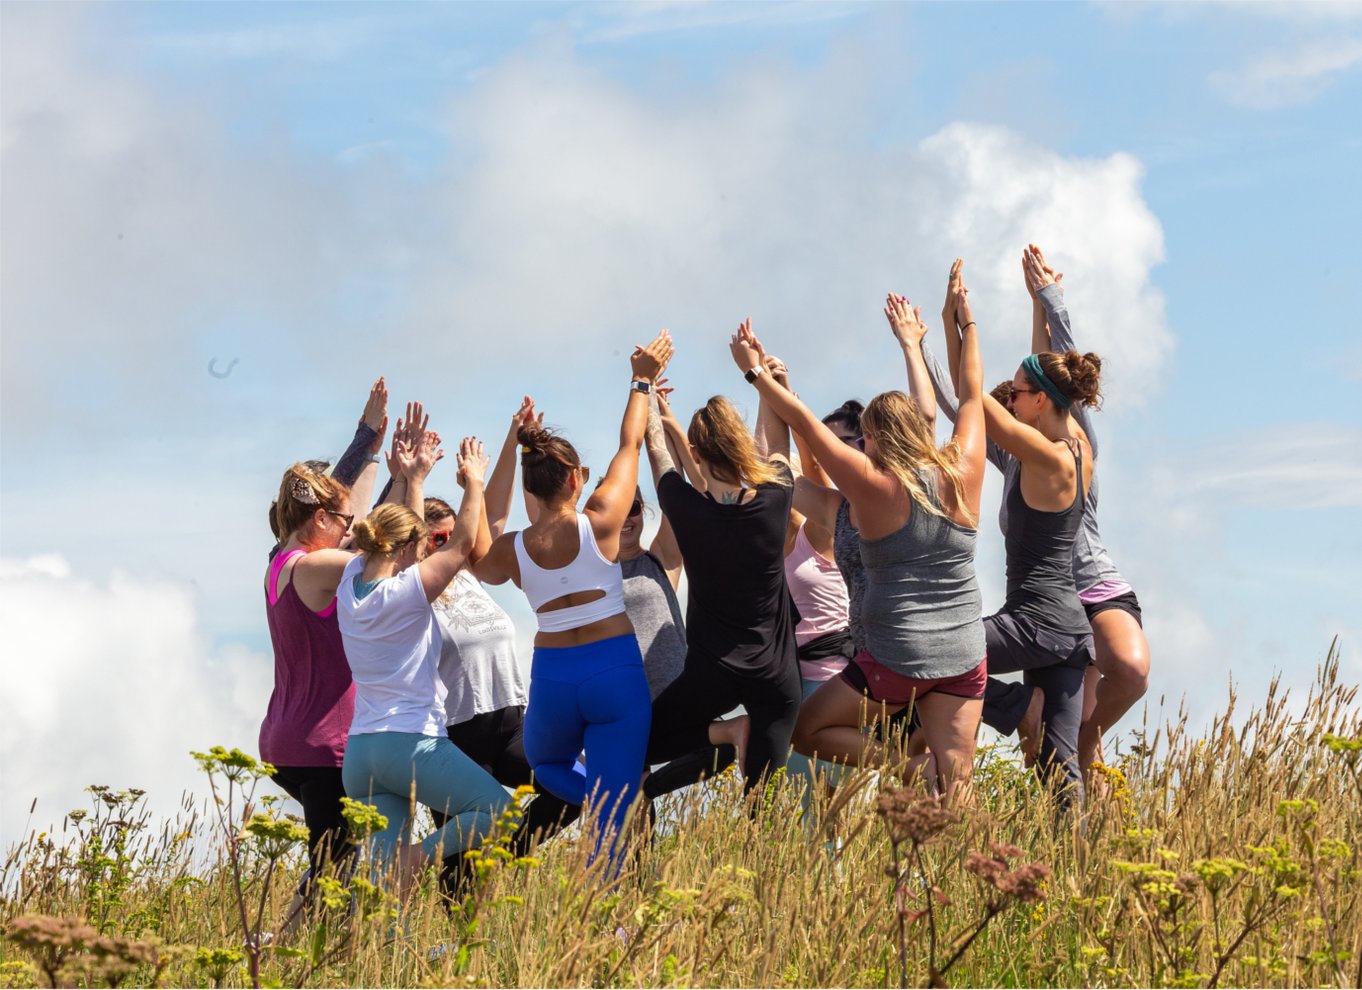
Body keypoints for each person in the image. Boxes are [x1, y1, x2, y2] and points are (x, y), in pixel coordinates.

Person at [746, 273, 988, 798]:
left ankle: (906, 767)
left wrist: (759, 379)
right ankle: (971, 872)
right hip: (966, 653)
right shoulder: (964, 472)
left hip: (898, 657)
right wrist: (962, 321)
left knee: (808, 729)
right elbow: (970, 394)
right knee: (958, 773)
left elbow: (802, 436)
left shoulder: (871, 490)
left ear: (872, 439)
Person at [472, 331, 674, 872]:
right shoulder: (602, 520)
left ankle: (610, 810)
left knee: (546, 761)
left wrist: (495, 465)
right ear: (577, 479)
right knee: (615, 800)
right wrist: (641, 381)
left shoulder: (515, 550)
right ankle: (616, 830)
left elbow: (481, 538)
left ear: (531, 491)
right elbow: (629, 445)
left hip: (555, 675)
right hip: (613, 669)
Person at [338, 434, 509, 892]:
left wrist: (410, 477)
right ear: (402, 549)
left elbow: (395, 532)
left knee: (381, 887)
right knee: (497, 810)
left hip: (361, 753)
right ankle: (417, 857)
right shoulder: (405, 594)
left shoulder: (350, 581)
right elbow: (462, 545)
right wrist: (474, 481)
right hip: (408, 743)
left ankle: (377, 961)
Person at [423, 398, 579, 864]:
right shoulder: (412, 590)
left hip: (509, 718)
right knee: (459, 864)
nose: (453, 545)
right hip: (453, 733)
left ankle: (509, 853)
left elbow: (488, 520)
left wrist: (515, 440)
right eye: (438, 539)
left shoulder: (469, 571)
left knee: (576, 787)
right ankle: (460, 932)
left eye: (455, 536)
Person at [641, 354, 802, 795]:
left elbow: (657, 452)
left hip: (712, 673)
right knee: (762, 804)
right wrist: (765, 380)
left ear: (695, 454)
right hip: (777, 677)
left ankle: (727, 733)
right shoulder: (775, 500)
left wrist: (647, 397)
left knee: (639, 744)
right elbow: (777, 447)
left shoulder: (686, 509)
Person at [1021, 244, 1150, 776]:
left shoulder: (1074, 443)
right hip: (1049, 606)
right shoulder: (1013, 456)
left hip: (1095, 585)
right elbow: (961, 401)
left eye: (1023, 393)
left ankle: (1086, 742)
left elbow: (1057, 373)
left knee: (1132, 669)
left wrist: (1047, 301)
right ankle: (1084, 846)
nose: (1013, 398)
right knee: (1051, 762)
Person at [260, 463, 358, 882]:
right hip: (323, 744)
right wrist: (413, 484)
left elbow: (350, 521)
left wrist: (368, 444)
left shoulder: (280, 562)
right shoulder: (314, 569)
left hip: (284, 739)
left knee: (335, 860)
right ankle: (287, 944)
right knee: (332, 871)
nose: (349, 531)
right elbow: (386, 562)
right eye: (345, 523)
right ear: (320, 518)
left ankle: (292, 940)